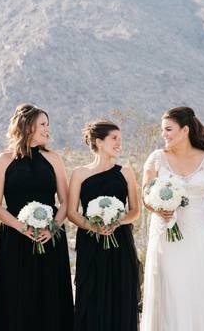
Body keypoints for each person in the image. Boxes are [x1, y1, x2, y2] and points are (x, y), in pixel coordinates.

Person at [0, 104, 73, 331]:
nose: (47, 130)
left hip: (49, 237)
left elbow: (66, 202)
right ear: (28, 126)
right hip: (15, 239)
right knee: (16, 297)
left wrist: (52, 227)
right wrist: (21, 227)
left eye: (48, 125)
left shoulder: (53, 158)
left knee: (49, 296)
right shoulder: (4, 159)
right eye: (43, 124)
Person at [141, 107, 204, 331]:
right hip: (166, 234)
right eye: (162, 130)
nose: (164, 134)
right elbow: (146, 196)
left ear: (185, 129)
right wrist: (159, 209)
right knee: (170, 288)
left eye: (168, 129)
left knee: (197, 288)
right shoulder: (157, 158)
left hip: (200, 234)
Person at [67, 120, 141, 331]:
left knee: (121, 294)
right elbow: (72, 212)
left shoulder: (126, 172)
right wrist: (93, 227)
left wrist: (117, 222)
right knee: (91, 295)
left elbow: (135, 210)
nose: (119, 143)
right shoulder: (80, 173)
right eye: (114, 138)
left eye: (120, 139)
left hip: (121, 243)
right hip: (90, 244)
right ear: (99, 142)